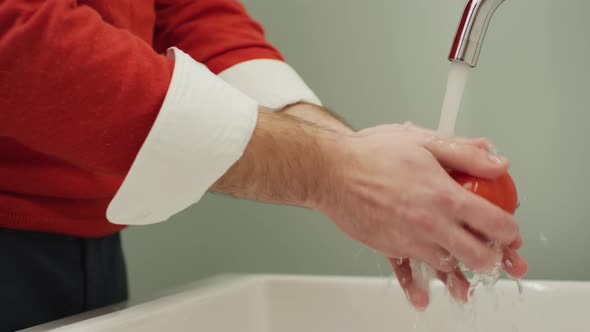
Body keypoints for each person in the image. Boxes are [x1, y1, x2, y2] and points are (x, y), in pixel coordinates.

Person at [0, 0, 527, 330]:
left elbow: (190, 13)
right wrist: (334, 171)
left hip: (88, 248)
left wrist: (357, 159)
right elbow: (16, 34)